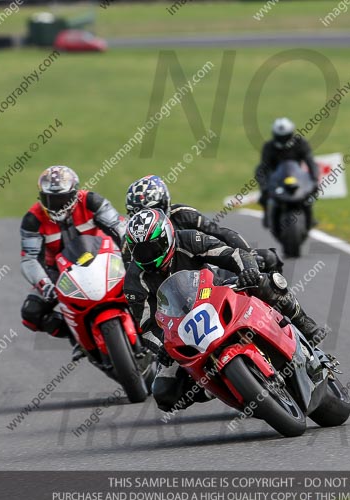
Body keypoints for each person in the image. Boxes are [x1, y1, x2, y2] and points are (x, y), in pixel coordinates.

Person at [122, 208, 327, 412]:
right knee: (164, 393)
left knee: (266, 282)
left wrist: (248, 271)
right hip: (181, 328)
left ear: (167, 238)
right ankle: (215, 387)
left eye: (153, 247)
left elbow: (232, 254)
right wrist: (161, 348)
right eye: (141, 251)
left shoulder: (189, 240)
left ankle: (304, 324)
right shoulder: (133, 282)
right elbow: (147, 326)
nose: (148, 256)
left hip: (218, 294)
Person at [19, 165, 126, 363]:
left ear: (75, 193)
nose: (57, 204)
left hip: (103, 258)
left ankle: (149, 326)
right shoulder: (33, 219)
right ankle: (76, 337)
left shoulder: (91, 201)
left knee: (139, 281)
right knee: (31, 312)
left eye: (62, 198)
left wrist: (129, 252)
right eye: (50, 199)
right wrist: (44, 284)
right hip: (58, 272)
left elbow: (120, 226)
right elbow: (29, 259)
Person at [125, 174, 282, 273]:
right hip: (166, 294)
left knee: (267, 258)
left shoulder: (182, 214)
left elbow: (220, 233)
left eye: (154, 209)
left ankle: (281, 312)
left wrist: (248, 254)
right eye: (137, 214)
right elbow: (129, 278)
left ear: (164, 203)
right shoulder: (131, 240)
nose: (147, 216)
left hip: (206, 274)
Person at [254, 118, 319, 225]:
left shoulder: (301, 143)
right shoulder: (269, 147)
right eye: (280, 137)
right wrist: (264, 185)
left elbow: (310, 161)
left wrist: (314, 178)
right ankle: (267, 215)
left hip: (297, 175)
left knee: (309, 195)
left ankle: (310, 218)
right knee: (263, 196)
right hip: (276, 176)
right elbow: (263, 166)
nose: (283, 139)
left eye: (285, 136)